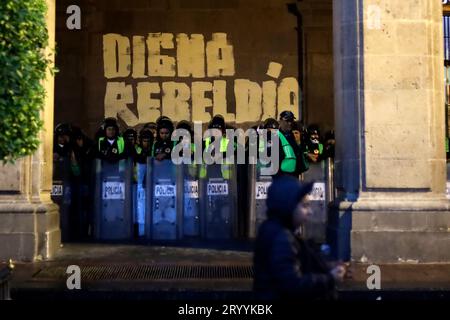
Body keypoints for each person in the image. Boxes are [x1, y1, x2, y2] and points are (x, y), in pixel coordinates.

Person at [253, 175, 347, 300]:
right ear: (288, 206)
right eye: (304, 206)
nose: (310, 211)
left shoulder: (274, 229)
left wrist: (326, 266)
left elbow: (292, 267)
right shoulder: (282, 237)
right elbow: (293, 285)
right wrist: (330, 278)